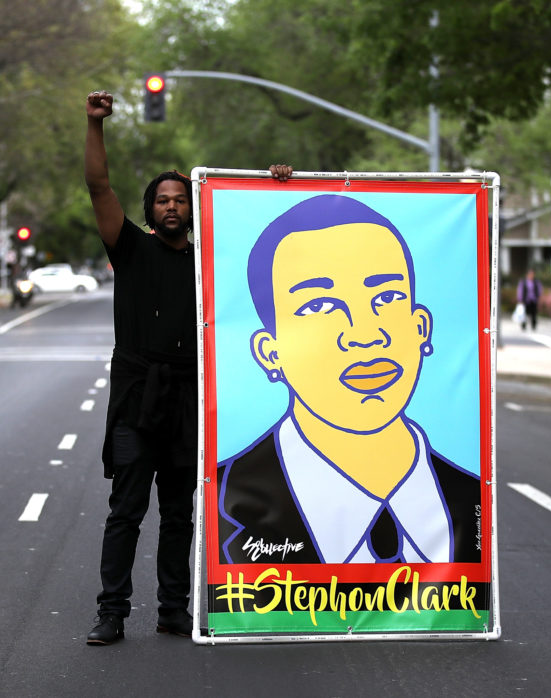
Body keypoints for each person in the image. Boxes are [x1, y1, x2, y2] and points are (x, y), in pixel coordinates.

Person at [82, 88, 289, 645]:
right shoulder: (129, 249)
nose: (172, 206)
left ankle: (174, 609)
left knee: (179, 514)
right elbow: (99, 186)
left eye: (181, 200)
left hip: (186, 403)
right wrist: (95, 125)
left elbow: (270, 238)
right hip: (134, 403)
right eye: (162, 200)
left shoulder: (211, 262)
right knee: (125, 510)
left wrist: (277, 185)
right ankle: (112, 612)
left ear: (193, 210)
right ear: (150, 211)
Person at [216, 194, 480, 566]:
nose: (365, 334)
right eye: (320, 306)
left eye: (387, 297)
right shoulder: (228, 495)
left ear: (421, 328)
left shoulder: (473, 499)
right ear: (269, 351)